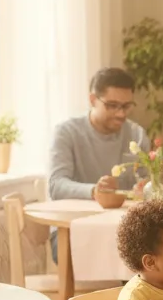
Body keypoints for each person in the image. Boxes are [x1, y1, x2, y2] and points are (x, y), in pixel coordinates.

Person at [48, 68, 149, 201]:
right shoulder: (67, 132)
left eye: (126, 106)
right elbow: (56, 186)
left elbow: (147, 185)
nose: (121, 114)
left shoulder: (137, 135)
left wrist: (143, 188)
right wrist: (94, 191)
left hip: (122, 219)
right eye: (112, 105)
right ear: (93, 100)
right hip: (74, 219)